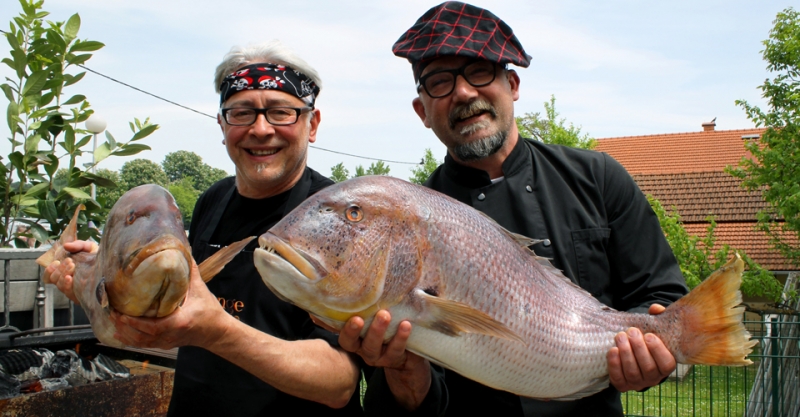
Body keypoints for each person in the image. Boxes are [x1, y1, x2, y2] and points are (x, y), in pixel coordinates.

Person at [337, 2, 689, 416]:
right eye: (439, 82)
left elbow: (664, 298)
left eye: (480, 70)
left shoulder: (597, 177)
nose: (464, 92)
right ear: (422, 112)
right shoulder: (407, 227)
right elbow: (407, 400)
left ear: (513, 84)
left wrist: (654, 359)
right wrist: (403, 376)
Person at [44, 41, 365, 416]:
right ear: (222, 124)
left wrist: (217, 331)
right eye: (242, 113)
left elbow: (340, 381)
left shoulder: (341, 218)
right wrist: (105, 273)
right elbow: (181, 300)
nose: (261, 130)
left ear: (313, 124)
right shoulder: (213, 200)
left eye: (281, 112)